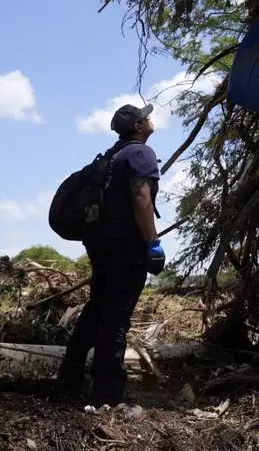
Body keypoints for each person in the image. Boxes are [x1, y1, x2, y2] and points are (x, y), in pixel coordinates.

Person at [58, 103, 166, 406]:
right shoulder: (141, 154)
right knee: (116, 318)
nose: (149, 119)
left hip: (99, 244)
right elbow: (141, 197)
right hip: (125, 246)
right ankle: (106, 393)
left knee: (96, 310)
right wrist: (152, 243)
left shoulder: (110, 156)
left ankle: (70, 377)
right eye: (145, 117)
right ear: (138, 127)